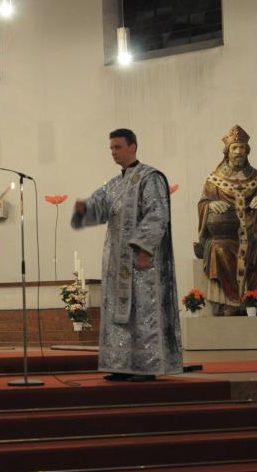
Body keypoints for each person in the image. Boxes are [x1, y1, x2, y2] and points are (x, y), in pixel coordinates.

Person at [71, 128, 182, 382]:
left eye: (118, 147)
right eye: (111, 148)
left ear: (133, 147)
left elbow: (157, 214)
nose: (113, 152)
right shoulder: (113, 185)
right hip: (116, 265)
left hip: (143, 264)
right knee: (119, 316)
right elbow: (99, 207)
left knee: (142, 314)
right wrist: (84, 209)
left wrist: (144, 248)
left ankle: (146, 367)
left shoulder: (150, 178)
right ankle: (121, 365)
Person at [195, 125, 257, 315]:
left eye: (242, 148)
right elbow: (203, 203)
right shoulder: (214, 180)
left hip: (255, 233)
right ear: (227, 151)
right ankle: (226, 302)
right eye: (235, 148)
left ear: (247, 152)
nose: (238, 152)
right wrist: (210, 205)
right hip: (227, 234)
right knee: (218, 248)